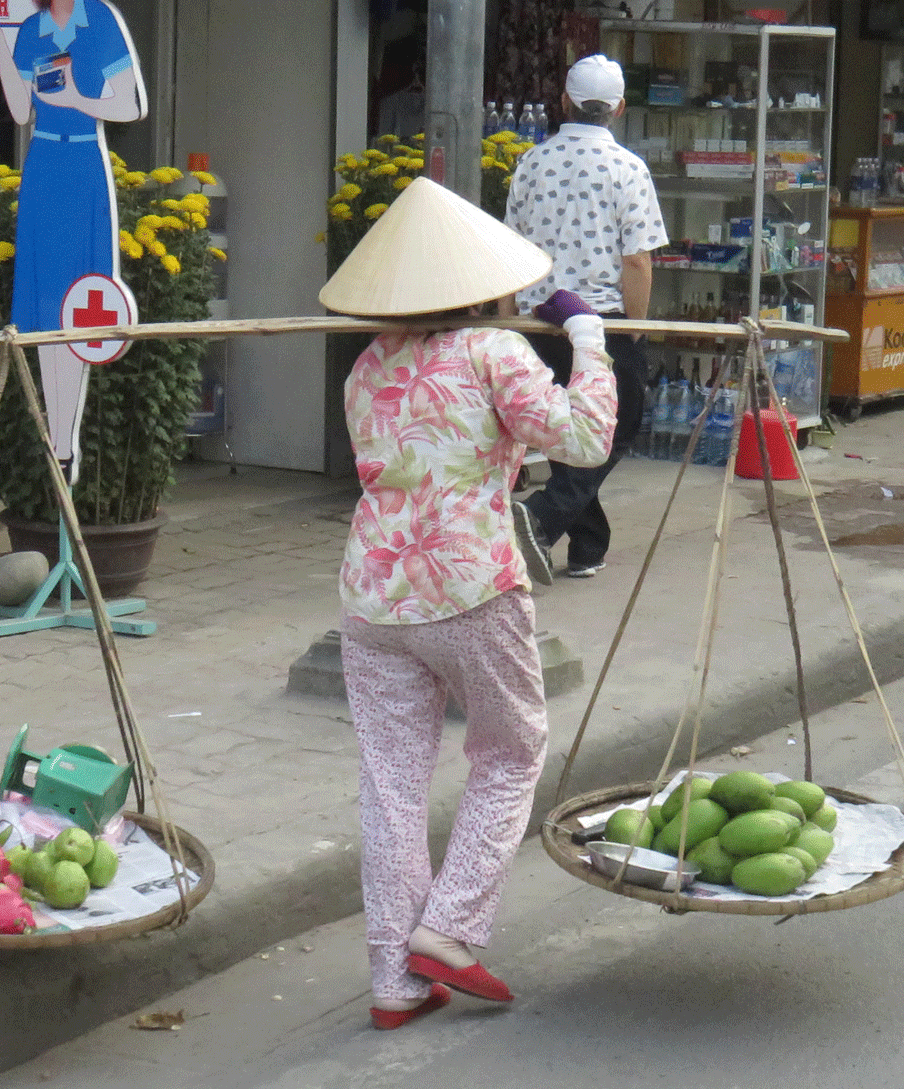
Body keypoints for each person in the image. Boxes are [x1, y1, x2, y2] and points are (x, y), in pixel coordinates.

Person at [319, 177, 618, 1029]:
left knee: (391, 784)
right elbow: (585, 438)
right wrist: (586, 340)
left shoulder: (367, 368)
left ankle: (394, 978)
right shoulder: (493, 352)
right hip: (471, 586)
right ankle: (448, 930)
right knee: (513, 751)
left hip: (374, 595)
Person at [0, 1, 145, 474]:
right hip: (43, 170)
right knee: (46, 310)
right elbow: (22, 111)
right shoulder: (30, 30)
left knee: (80, 302)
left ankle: (66, 441)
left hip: (84, 166)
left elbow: (131, 105)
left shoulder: (99, 21)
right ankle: (59, 443)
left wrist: (77, 99)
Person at [503, 54, 668, 581]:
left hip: (541, 321)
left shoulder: (531, 162)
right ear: (619, 107)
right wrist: (634, 330)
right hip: (602, 325)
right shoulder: (628, 168)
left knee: (563, 429)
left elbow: (511, 251)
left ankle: (589, 546)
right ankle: (540, 519)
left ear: (564, 101)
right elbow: (637, 260)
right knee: (618, 427)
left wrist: (510, 325)